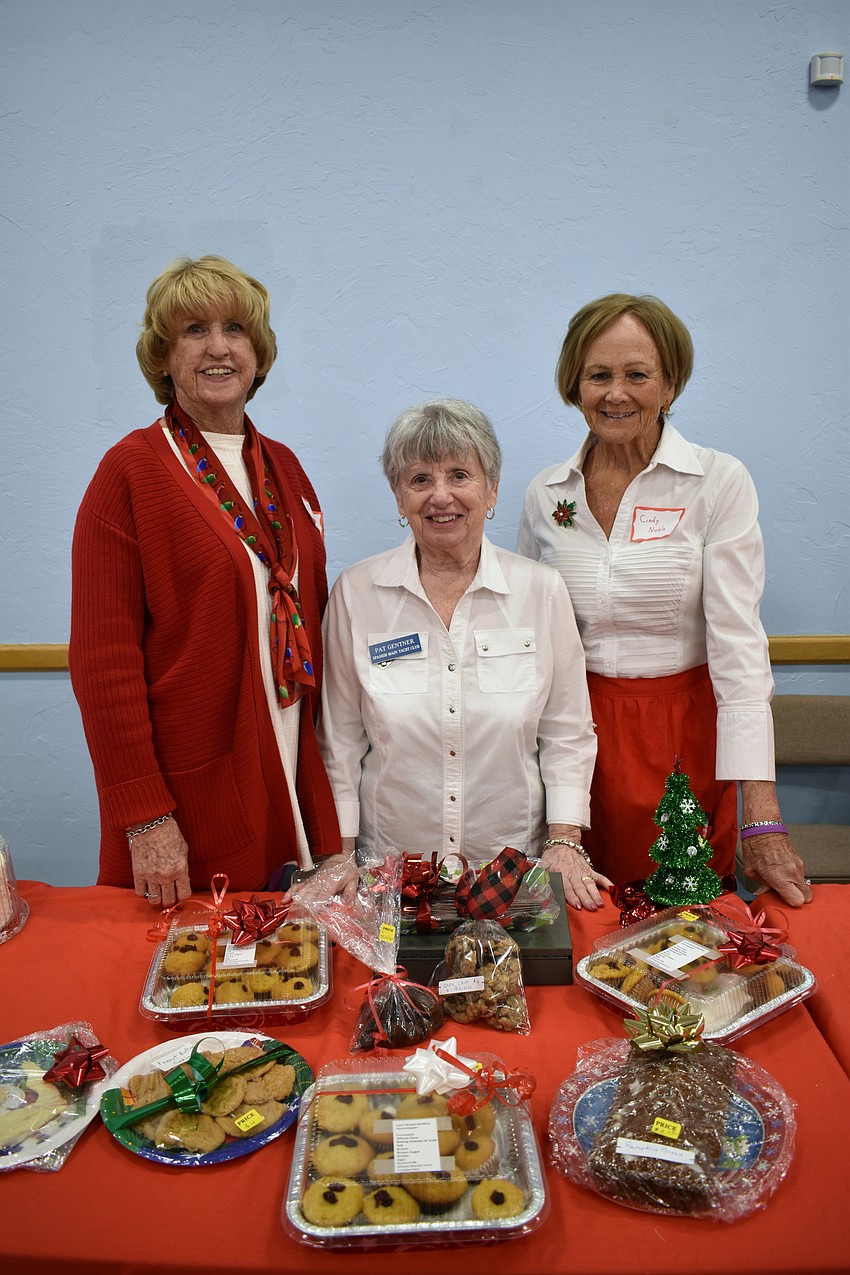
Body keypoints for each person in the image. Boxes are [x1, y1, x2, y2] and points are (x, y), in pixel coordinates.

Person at [517, 293, 811, 908]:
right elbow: (527, 639)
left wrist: (761, 812)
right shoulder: (545, 493)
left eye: (637, 374)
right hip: (575, 739)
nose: (615, 393)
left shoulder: (717, 481)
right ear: (575, 385)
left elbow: (739, 647)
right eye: (598, 375)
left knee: (687, 924)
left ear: (670, 383)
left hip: (683, 734)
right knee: (583, 918)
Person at [69, 255, 340, 908]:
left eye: (235, 329)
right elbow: (104, 662)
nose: (218, 346)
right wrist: (146, 815)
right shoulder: (130, 473)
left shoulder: (286, 468)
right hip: (193, 800)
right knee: (199, 987)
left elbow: (314, 624)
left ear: (258, 351)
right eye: (194, 330)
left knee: (290, 976)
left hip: (292, 779)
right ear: (163, 357)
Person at [317, 398, 605, 911]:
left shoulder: (541, 591)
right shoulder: (356, 593)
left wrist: (565, 840)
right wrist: (338, 854)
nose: (440, 495)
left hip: (513, 871)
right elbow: (339, 741)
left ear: (491, 488)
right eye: (419, 478)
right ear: (398, 495)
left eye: (459, 475)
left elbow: (566, 731)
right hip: (391, 876)